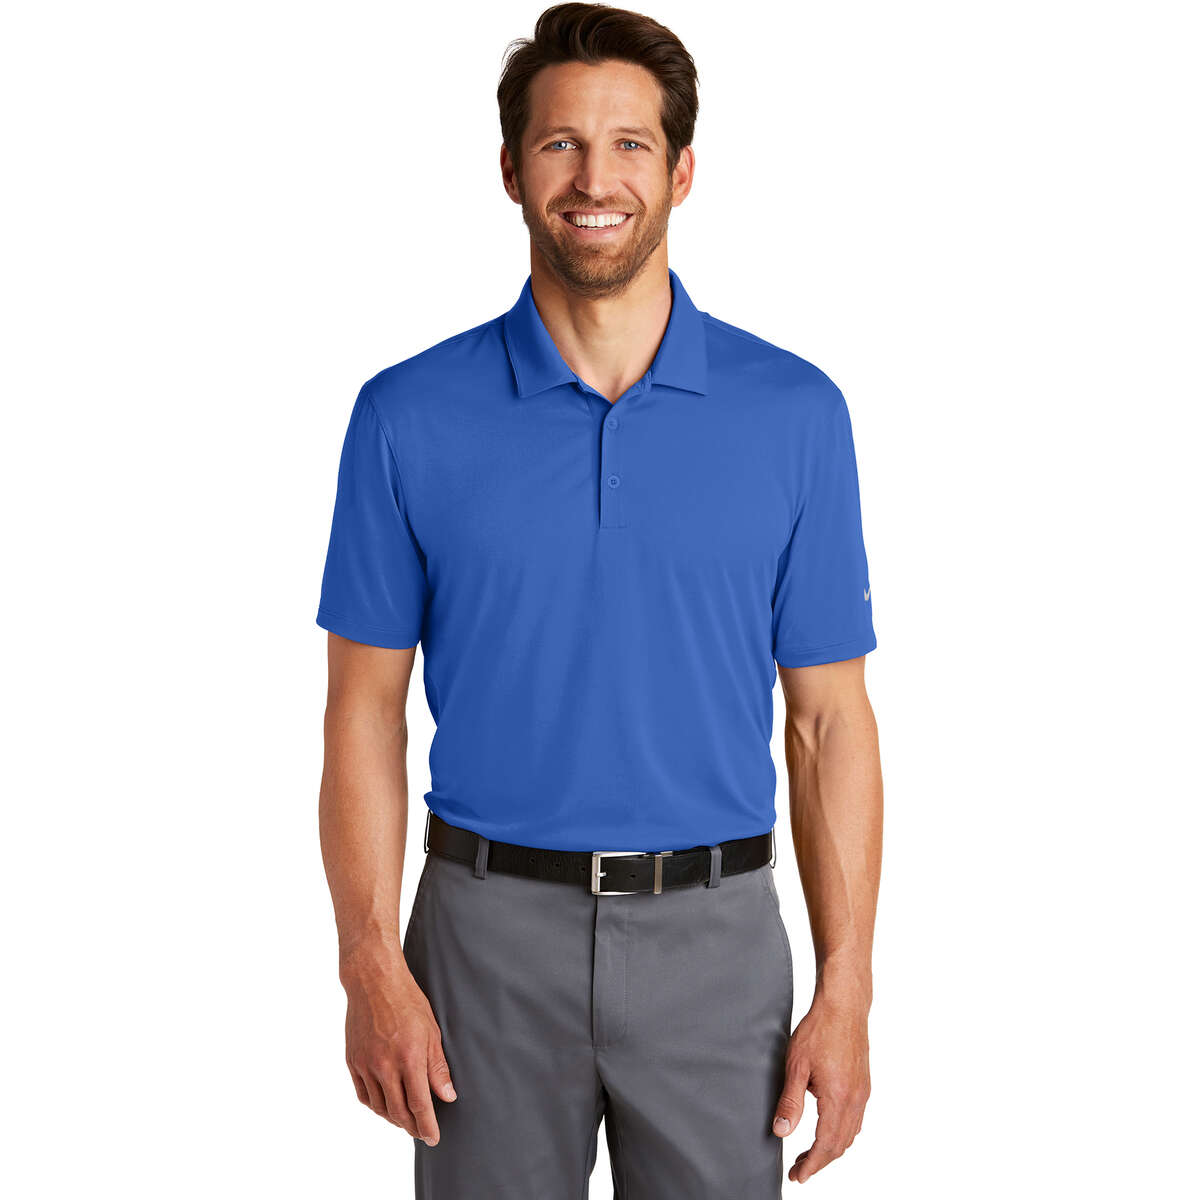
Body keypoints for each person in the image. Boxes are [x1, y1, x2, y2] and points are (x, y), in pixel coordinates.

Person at [316, 4, 883, 1195]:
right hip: (480, 946)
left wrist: (848, 988)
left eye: (630, 144)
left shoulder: (796, 416)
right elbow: (363, 710)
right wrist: (368, 962)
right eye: (561, 143)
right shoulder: (405, 416)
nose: (594, 178)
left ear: (682, 171)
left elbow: (829, 721)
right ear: (511, 169)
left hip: (718, 944)